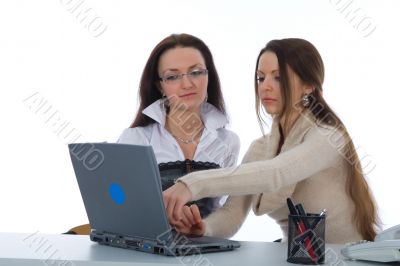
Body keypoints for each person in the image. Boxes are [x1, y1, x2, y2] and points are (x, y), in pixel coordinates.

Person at [162, 38, 379, 243]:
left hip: (346, 257)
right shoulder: (261, 148)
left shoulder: (328, 137)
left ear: (308, 86)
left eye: (279, 77)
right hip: (295, 258)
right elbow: (232, 214)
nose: (265, 86)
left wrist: (192, 184)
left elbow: (277, 173)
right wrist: (203, 229)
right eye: (260, 77)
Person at [65, 33, 239, 235]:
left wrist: (203, 228)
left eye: (196, 72)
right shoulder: (136, 139)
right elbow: (119, 205)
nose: (187, 84)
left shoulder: (228, 142)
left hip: (203, 248)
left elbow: (227, 213)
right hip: (145, 247)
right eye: (173, 76)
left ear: (208, 76)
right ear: (160, 86)